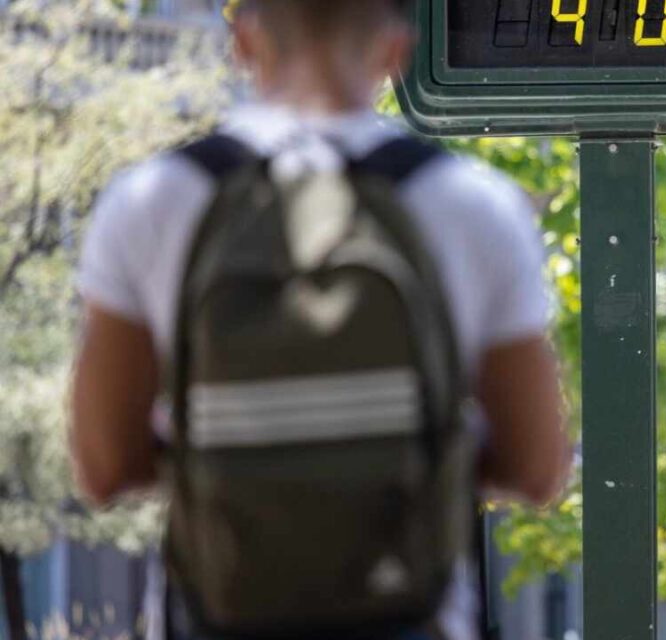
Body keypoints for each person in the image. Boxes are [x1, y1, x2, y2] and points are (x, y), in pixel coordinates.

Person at [69, 1, 570, 638]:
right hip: (411, 616)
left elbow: (104, 467)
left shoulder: (150, 202)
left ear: (245, 41)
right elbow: (537, 467)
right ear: (395, 51)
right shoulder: (474, 205)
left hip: (220, 616)